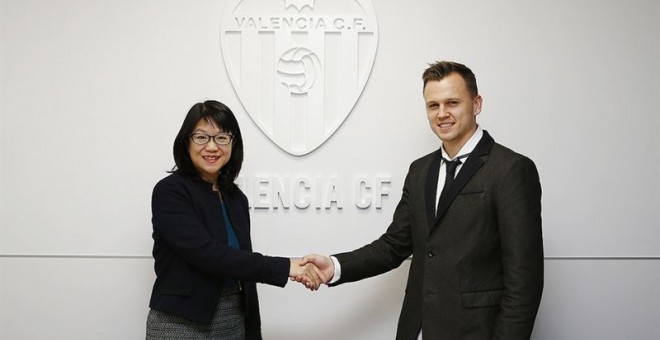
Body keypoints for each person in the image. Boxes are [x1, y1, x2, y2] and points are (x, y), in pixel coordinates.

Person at [300, 61, 544, 339]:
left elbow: (524, 280)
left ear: (476, 104)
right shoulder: (420, 171)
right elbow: (393, 246)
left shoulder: (511, 169)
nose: (442, 114)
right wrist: (335, 266)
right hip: (416, 329)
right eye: (433, 105)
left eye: (452, 102)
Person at [146, 100, 321, 340]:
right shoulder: (170, 192)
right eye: (201, 137)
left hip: (233, 320)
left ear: (232, 144)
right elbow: (208, 254)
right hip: (180, 323)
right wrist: (286, 266)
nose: (212, 147)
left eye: (221, 138)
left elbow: (241, 266)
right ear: (186, 142)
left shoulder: (236, 198)